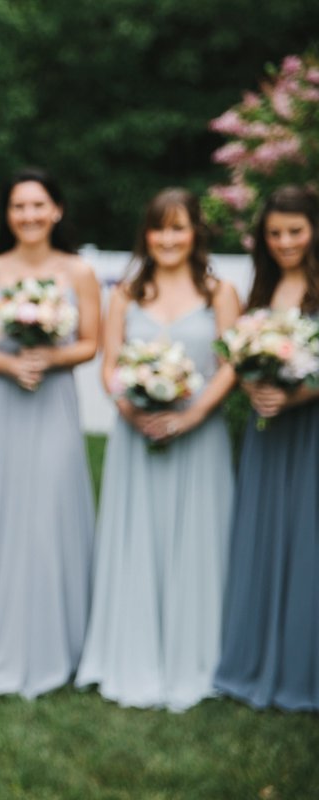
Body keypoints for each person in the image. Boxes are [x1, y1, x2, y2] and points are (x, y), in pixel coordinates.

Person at [76, 189, 238, 710]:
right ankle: (132, 653)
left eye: (179, 228)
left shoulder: (220, 293)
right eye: (159, 228)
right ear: (146, 234)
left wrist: (190, 416)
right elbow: (109, 364)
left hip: (201, 436)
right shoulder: (124, 292)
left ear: (196, 234)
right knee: (137, 539)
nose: (168, 239)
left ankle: (194, 657)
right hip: (137, 433)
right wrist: (131, 408)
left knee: (197, 541)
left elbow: (231, 364)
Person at [0, 167, 100, 699]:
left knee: (49, 517)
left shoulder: (79, 271)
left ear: (57, 210)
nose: (30, 215)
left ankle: (56, 644)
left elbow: (90, 343)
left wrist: (48, 357)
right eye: (19, 206)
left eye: (39, 205)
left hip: (52, 408)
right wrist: (9, 365)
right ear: (8, 214)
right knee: (2, 519)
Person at [215, 185, 319, 711]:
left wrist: (297, 394)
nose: (284, 242)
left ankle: (302, 670)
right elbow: (240, 358)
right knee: (264, 537)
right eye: (274, 233)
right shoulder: (258, 289)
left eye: (295, 231)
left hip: (310, 433)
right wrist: (253, 385)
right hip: (267, 435)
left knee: (308, 542)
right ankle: (258, 660)